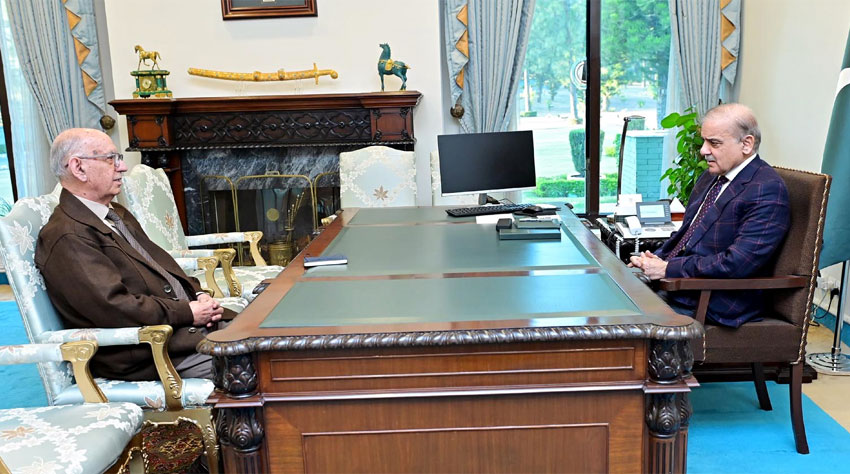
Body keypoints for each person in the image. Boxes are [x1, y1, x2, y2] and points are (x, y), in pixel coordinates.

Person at [35, 128, 224, 380]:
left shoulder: (114, 213)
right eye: (110, 159)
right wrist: (187, 312)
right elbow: (115, 307)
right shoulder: (68, 235)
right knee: (261, 364)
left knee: (269, 334)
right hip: (151, 353)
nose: (122, 167)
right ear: (78, 168)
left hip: (182, 331)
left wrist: (198, 295)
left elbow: (161, 265)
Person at [629, 103, 790, 327]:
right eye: (704, 141)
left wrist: (667, 268)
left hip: (714, 300)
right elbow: (688, 235)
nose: (703, 150)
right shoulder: (711, 176)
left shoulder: (767, 189)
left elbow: (737, 263)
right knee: (611, 295)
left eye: (714, 143)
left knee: (620, 320)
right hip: (680, 286)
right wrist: (655, 259)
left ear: (746, 144)